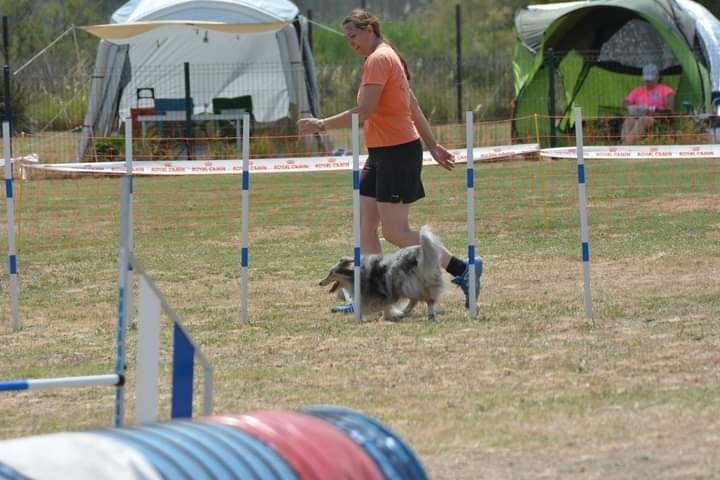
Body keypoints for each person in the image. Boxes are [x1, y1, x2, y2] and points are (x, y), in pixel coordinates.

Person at [297, 8, 483, 312]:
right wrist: (433, 144)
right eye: (346, 38)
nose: (350, 43)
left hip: (397, 152)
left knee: (395, 232)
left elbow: (365, 112)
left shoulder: (379, 60)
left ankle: (464, 270)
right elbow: (413, 104)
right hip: (381, 153)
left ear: (370, 29)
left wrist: (321, 124)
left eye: (353, 36)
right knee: (365, 228)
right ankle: (375, 298)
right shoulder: (385, 57)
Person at [621, 63, 675, 144]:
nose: (648, 82)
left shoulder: (667, 91)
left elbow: (670, 112)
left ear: (657, 78)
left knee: (644, 119)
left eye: (650, 80)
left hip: (657, 118)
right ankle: (624, 142)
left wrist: (652, 113)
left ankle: (626, 145)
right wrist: (634, 108)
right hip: (638, 116)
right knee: (629, 120)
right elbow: (625, 102)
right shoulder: (638, 90)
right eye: (646, 80)